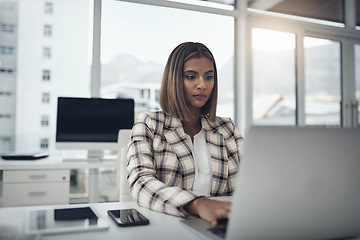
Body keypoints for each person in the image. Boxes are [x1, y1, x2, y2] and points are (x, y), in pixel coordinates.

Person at [127, 42, 244, 227]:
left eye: (209, 77)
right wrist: (197, 204)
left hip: (221, 225)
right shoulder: (149, 123)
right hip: (167, 227)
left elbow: (251, 181)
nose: (202, 85)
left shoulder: (226, 128)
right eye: (191, 77)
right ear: (174, 80)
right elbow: (141, 183)